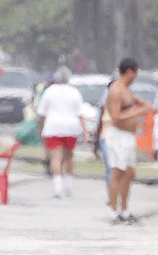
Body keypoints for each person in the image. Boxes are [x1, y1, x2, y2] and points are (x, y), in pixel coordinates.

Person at [105, 58, 153, 224]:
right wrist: (138, 111)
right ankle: (113, 210)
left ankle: (124, 208)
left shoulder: (127, 90)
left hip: (129, 136)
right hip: (118, 135)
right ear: (130, 72)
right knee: (117, 172)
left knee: (129, 172)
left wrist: (146, 106)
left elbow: (139, 102)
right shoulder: (116, 90)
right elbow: (116, 117)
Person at [37, 66, 89, 198]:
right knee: (69, 157)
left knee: (56, 157)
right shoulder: (74, 92)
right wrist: (85, 130)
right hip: (71, 128)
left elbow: (42, 113)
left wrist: (41, 129)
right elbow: (80, 113)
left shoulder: (49, 91)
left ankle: (57, 187)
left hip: (53, 127)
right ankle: (69, 185)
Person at [94, 80, 115, 203]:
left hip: (120, 140)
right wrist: (95, 146)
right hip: (105, 138)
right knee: (110, 168)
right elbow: (100, 125)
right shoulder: (104, 107)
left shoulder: (125, 105)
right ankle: (111, 195)